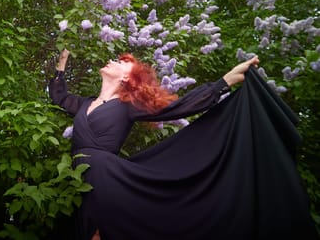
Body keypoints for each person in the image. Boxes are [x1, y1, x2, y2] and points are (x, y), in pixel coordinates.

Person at [48, 49, 318, 240]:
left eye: (120, 62)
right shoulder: (85, 104)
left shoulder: (128, 106)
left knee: (98, 233)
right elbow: (59, 97)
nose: (112, 60)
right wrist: (62, 61)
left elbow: (180, 107)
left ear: (126, 79)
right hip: (77, 178)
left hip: (107, 179)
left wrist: (223, 83)